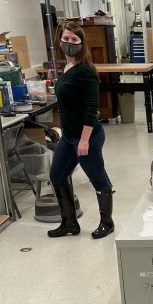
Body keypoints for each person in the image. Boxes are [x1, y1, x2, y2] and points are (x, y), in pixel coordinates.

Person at [48, 20, 114, 239]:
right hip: (69, 137)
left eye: (74, 40)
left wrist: (84, 140)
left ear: (81, 43)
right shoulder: (66, 67)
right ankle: (69, 223)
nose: (69, 43)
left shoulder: (85, 71)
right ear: (60, 40)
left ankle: (107, 222)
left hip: (87, 137)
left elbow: (91, 109)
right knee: (57, 176)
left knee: (98, 180)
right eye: (65, 39)